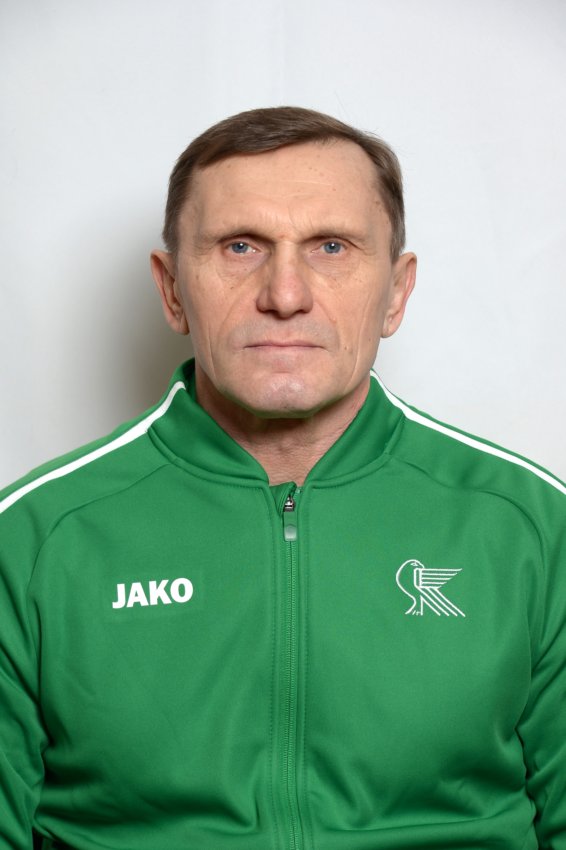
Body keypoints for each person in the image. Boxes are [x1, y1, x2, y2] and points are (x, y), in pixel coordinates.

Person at [0, 107, 564, 850]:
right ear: (172, 290)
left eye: (332, 246)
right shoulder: (32, 539)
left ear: (396, 292)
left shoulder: (531, 526)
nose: (286, 294)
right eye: (240, 246)